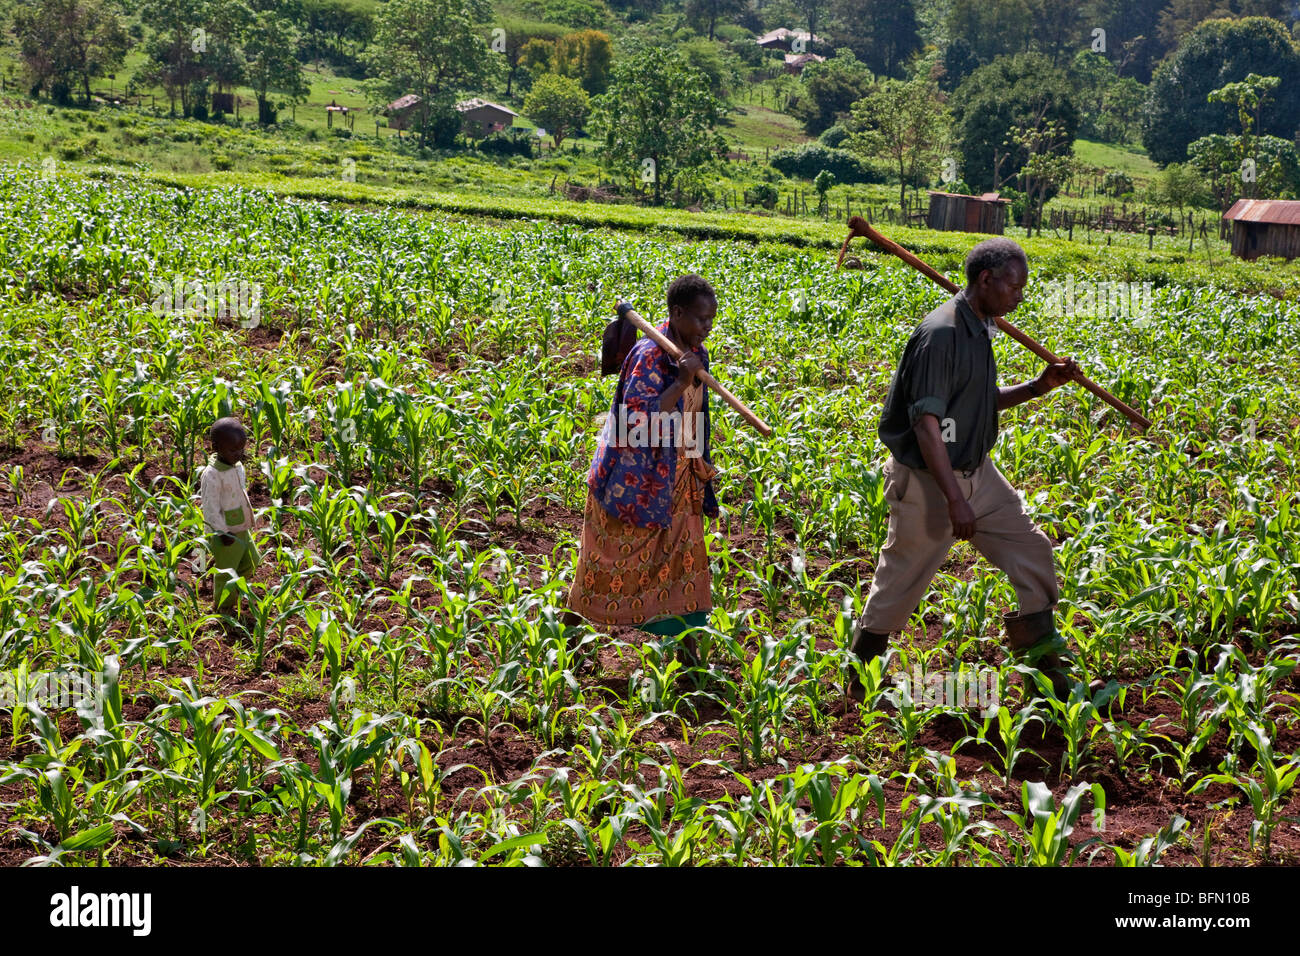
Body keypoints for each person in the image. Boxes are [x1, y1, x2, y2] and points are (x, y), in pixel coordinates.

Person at [847, 238, 1084, 703]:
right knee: (903, 578)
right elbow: (926, 423)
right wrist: (954, 498)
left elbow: (978, 402)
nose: (1021, 296)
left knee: (1031, 550)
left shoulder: (980, 326)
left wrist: (1039, 386)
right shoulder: (942, 334)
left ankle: (1045, 670)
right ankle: (861, 679)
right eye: (1015, 286)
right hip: (930, 481)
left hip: (979, 473)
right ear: (986, 280)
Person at [564, 274, 721, 663]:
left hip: (680, 479)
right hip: (634, 483)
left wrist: (701, 464)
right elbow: (637, 424)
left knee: (682, 564)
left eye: (712, 319)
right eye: (701, 319)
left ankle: (687, 653)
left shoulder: (695, 356)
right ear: (677, 312)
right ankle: (565, 633)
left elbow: (695, 416)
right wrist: (681, 380)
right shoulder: (649, 356)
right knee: (604, 564)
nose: (707, 327)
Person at [199, 417, 260, 618]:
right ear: (216, 447)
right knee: (226, 571)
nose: (239, 454)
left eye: (241, 448)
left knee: (250, 561)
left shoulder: (237, 466)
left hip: (240, 526)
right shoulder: (212, 474)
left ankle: (235, 590)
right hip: (225, 532)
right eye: (233, 450)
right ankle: (223, 606)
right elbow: (209, 507)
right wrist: (220, 532)